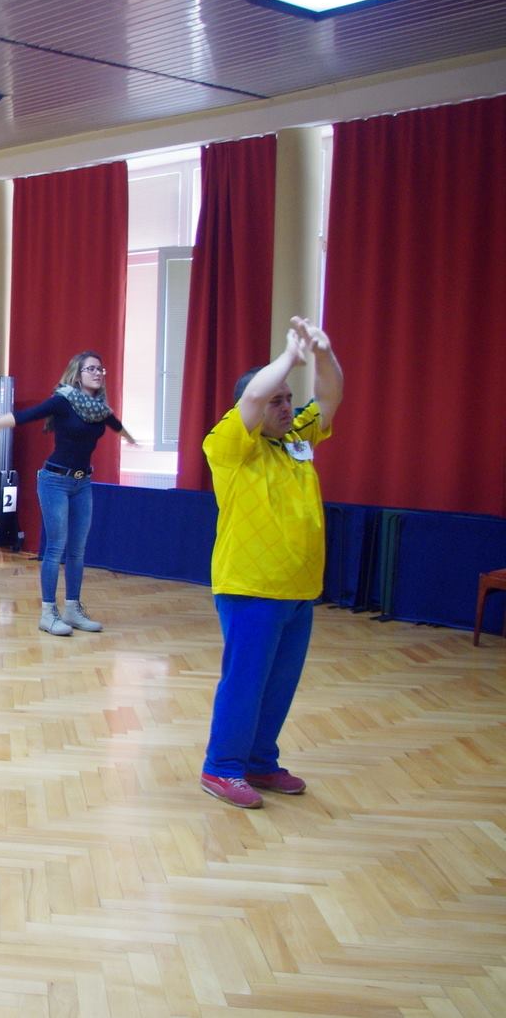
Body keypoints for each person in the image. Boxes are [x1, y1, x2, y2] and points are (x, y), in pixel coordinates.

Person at [198, 317, 342, 809]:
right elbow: (255, 396)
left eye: (288, 399)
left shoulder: (297, 437)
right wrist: (288, 358)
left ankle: (260, 760)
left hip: (298, 588)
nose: (286, 407)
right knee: (246, 682)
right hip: (251, 587)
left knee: (279, 684)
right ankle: (222, 767)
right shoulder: (229, 444)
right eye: (277, 400)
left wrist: (322, 354)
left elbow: (330, 397)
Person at [0, 351, 136, 637]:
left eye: (100, 369)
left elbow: (116, 426)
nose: (98, 373)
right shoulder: (63, 401)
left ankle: (73, 609)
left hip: (82, 483)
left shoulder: (100, 409)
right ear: (78, 374)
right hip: (54, 481)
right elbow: (20, 417)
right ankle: (48, 613)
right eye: (91, 369)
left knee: (77, 549)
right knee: (56, 547)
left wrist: (132, 440)